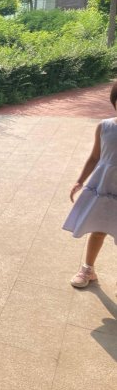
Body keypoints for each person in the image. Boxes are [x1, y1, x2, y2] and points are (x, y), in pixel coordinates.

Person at [63, 81, 117, 289]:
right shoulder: (105, 127)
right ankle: (88, 269)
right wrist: (80, 180)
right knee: (99, 229)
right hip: (104, 187)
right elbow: (95, 157)